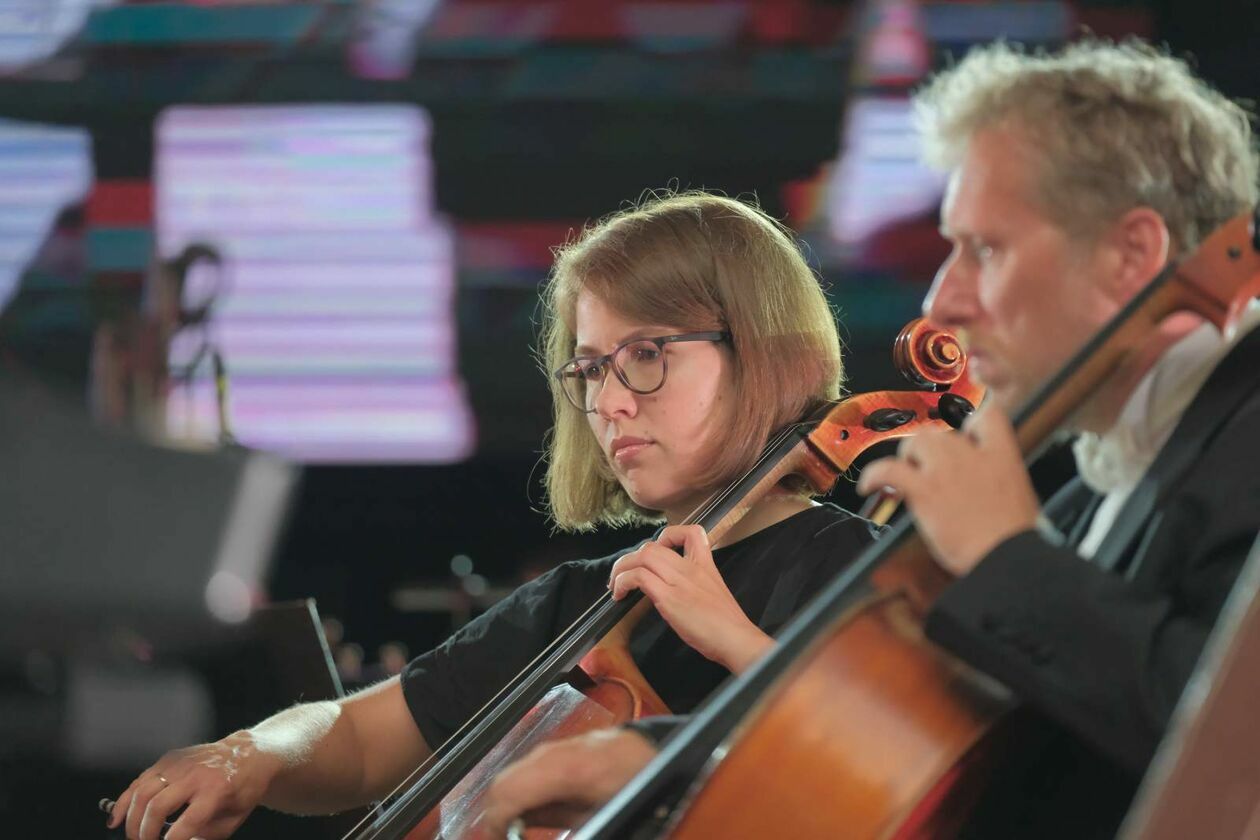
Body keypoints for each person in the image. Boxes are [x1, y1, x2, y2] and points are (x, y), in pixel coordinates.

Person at [476, 37, 1260, 838]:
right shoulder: (1097, 478)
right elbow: (1010, 762)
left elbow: (1236, 758)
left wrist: (1006, 557)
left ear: (1132, 253)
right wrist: (659, 761)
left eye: (984, 249)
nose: (942, 298)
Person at [106, 191, 881, 840]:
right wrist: (251, 753)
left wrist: (742, 644)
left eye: (647, 355)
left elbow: (886, 770)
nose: (608, 403)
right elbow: (359, 735)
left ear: (759, 352)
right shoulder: (583, 602)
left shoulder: (864, 572)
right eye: (590, 368)